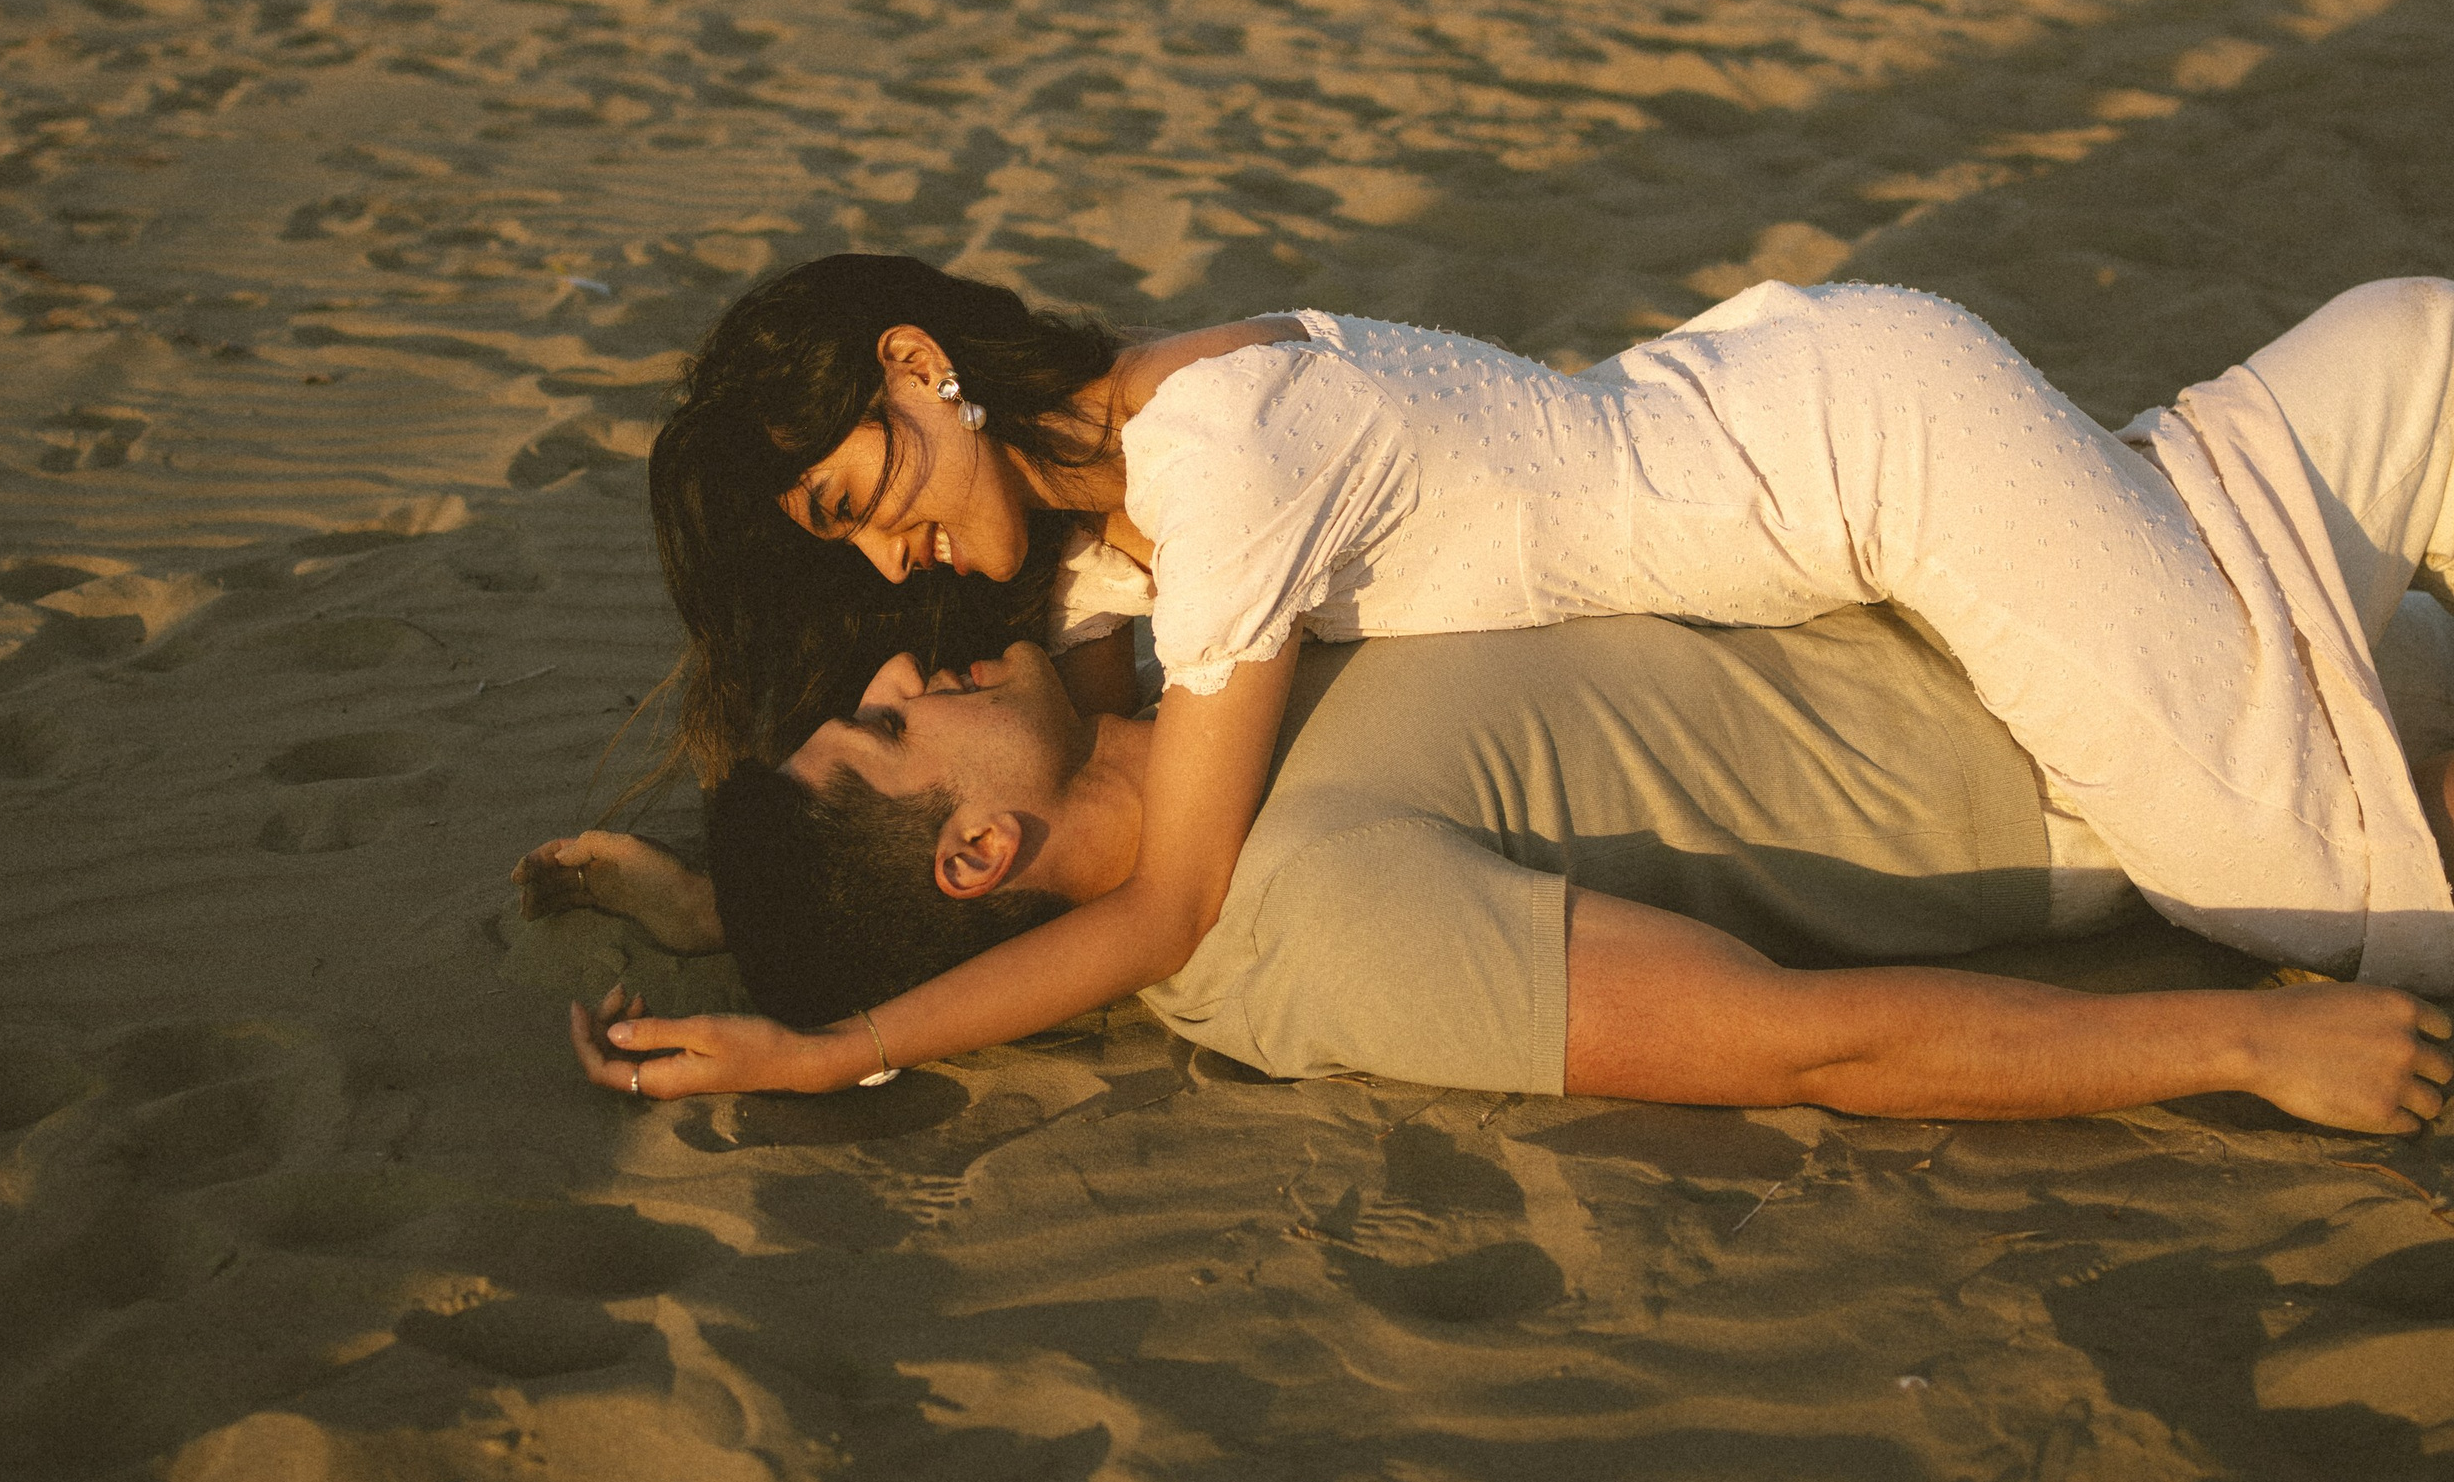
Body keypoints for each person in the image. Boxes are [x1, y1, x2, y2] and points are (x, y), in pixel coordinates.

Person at [583, 259, 2454, 1097]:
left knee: (2317, 896)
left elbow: (1161, 899)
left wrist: (839, 1044)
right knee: (2403, 374)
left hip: (1880, 463)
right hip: (1820, 410)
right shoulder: (1102, 528)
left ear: (923, 366)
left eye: (869, 498)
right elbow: (980, 835)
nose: (897, 593)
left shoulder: (1216, 478)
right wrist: (733, 907)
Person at [528, 599, 2454, 1135]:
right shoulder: (1313, 918)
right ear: (978, 848)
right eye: (884, 730)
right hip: (2145, 764)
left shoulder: (1189, 674)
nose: (894, 668)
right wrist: (2241, 1045)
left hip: (2058, 583)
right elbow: (1792, 1045)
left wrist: (729, 922)